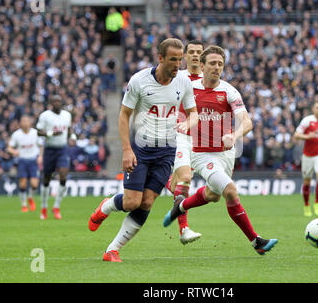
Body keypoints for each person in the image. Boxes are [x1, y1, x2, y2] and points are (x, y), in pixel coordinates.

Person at [88, 38, 198, 262]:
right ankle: (107, 206)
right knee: (131, 202)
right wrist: (127, 150)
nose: (178, 64)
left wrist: (188, 123)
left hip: (167, 150)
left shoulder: (183, 82)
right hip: (141, 149)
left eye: (180, 59)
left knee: (147, 202)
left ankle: (113, 249)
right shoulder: (139, 81)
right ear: (160, 58)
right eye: (173, 60)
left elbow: (193, 112)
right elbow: (124, 115)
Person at [162, 46, 278, 256]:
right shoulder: (189, 88)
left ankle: (180, 206)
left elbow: (247, 122)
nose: (217, 68)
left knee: (213, 195)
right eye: (213, 63)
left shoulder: (229, 91)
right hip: (201, 153)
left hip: (225, 154)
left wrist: (234, 136)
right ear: (203, 65)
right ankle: (256, 241)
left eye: (220, 64)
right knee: (230, 191)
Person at [165, 40, 204, 244]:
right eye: (192, 52)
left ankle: (161, 179)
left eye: (199, 52)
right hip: (178, 134)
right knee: (186, 179)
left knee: (178, 186)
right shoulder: (177, 77)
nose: (196, 55)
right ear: (185, 56)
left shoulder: (209, 80)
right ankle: (184, 230)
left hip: (200, 140)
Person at [36, 95, 76, 220]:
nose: (57, 103)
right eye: (55, 101)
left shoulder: (66, 115)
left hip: (62, 149)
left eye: (59, 101)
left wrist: (72, 137)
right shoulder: (45, 116)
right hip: (49, 149)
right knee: (46, 178)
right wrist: (50, 133)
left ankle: (56, 206)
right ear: (51, 103)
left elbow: (69, 129)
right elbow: (38, 131)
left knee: (63, 175)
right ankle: (43, 207)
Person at [293, 101, 318, 217]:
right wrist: (307, 136)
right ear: (313, 110)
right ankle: (306, 205)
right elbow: (296, 135)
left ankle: (317, 202)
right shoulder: (307, 120)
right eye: (317, 108)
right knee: (307, 183)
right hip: (308, 156)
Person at [7, 115, 43, 213]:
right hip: (22, 160)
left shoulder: (35, 133)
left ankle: (30, 197)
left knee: (34, 184)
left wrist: (40, 156)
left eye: (27, 121)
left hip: (33, 160)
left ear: (30, 122)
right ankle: (23, 204)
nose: (25, 123)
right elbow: (9, 147)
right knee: (22, 184)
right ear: (20, 123)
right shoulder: (16, 134)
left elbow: (41, 146)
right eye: (23, 121)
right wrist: (14, 152)